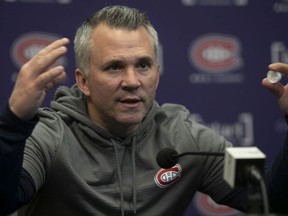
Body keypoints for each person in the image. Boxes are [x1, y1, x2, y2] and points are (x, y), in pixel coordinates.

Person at [0, 5, 287, 216]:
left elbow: (271, 199)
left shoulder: (188, 139)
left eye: (143, 65)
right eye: (114, 67)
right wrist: (14, 122)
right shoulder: (50, 136)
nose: (132, 81)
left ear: (157, 74)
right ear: (83, 81)